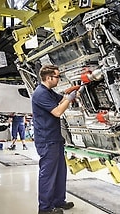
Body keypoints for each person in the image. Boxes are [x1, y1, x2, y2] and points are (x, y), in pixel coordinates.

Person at [31, 64, 80, 214]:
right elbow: (58, 111)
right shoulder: (40, 94)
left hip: (55, 138)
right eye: (57, 77)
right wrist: (69, 98)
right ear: (48, 77)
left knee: (60, 172)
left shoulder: (49, 92)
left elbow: (62, 99)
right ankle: (45, 208)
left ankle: (59, 201)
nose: (59, 79)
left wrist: (74, 91)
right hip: (46, 140)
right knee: (48, 174)